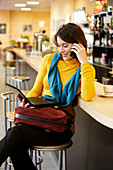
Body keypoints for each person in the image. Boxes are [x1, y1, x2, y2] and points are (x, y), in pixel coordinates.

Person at [0, 23, 95, 170]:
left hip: (61, 125)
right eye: (58, 45)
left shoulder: (85, 69)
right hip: (40, 116)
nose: (61, 50)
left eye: (65, 45)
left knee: (15, 134)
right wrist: (28, 102)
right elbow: (36, 89)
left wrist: (84, 62)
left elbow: (88, 96)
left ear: (78, 45)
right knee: (15, 139)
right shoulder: (49, 60)